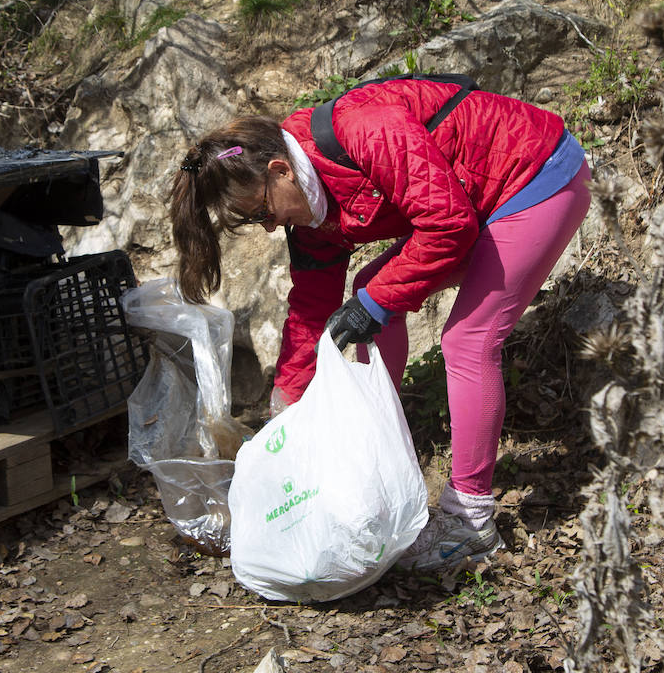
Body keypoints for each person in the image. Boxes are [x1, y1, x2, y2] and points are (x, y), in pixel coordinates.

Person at [169, 74, 591, 572]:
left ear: (280, 170)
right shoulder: (307, 207)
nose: (268, 226)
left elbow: (447, 226)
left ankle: (470, 520)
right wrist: (285, 409)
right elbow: (309, 309)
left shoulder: (365, 130)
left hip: (536, 177)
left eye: (261, 211)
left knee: (467, 341)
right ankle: (382, 447)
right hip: (476, 201)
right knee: (370, 286)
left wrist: (374, 305)